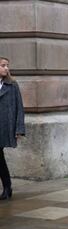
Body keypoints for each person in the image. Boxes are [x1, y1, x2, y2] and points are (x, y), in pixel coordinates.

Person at [0, 56, 25, 200]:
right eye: (3, 65)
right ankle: (7, 187)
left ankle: (7, 187)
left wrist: (19, 129)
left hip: (4, 126)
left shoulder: (12, 85)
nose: (6, 68)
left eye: (7, 65)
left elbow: (19, 108)